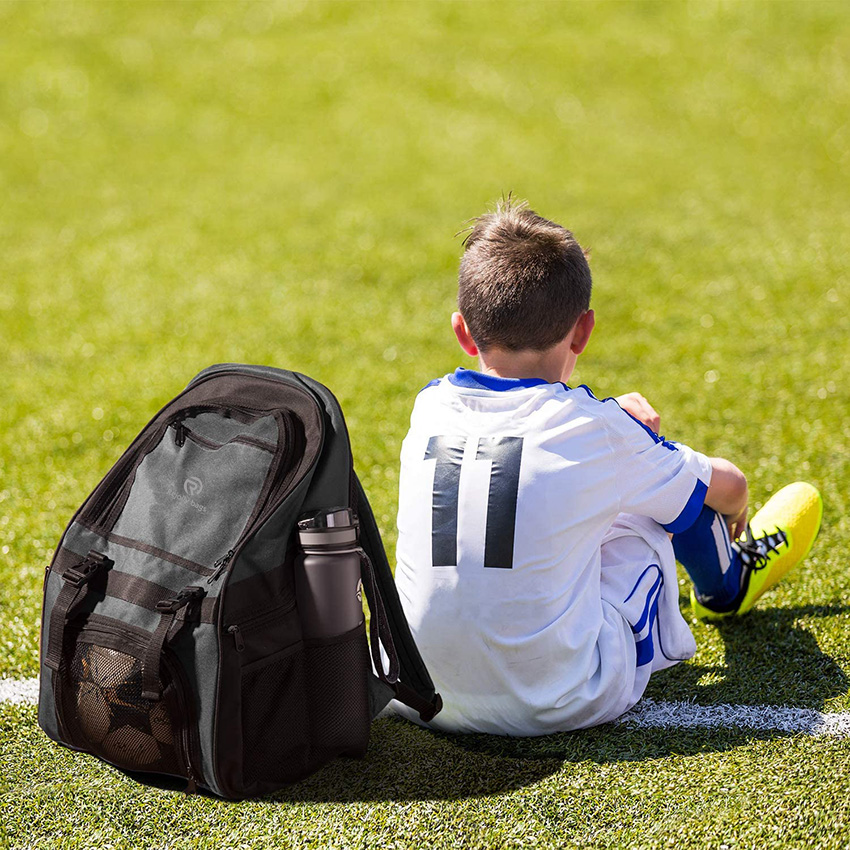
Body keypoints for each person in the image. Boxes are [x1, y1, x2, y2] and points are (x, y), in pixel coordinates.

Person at [390, 198, 823, 735]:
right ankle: (729, 584)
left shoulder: (427, 407)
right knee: (649, 508)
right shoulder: (594, 428)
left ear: (462, 331)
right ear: (583, 331)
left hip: (416, 693)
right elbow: (728, 487)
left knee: (587, 504)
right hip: (557, 702)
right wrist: (642, 441)